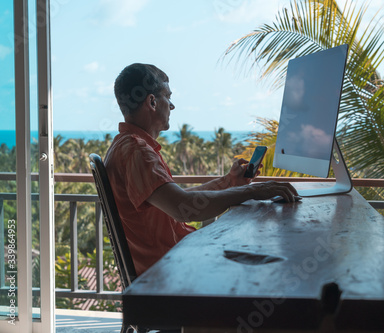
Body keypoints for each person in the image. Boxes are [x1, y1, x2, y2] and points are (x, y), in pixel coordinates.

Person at [105, 63, 299, 275]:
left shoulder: (125, 146)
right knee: (262, 261)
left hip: (175, 261)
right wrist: (254, 191)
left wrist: (228, 182)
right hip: (169, 273)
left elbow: (177, 201)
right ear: (152, 102)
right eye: (167, 97)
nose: (171, 106)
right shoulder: (138, 152)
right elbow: (183, 208)